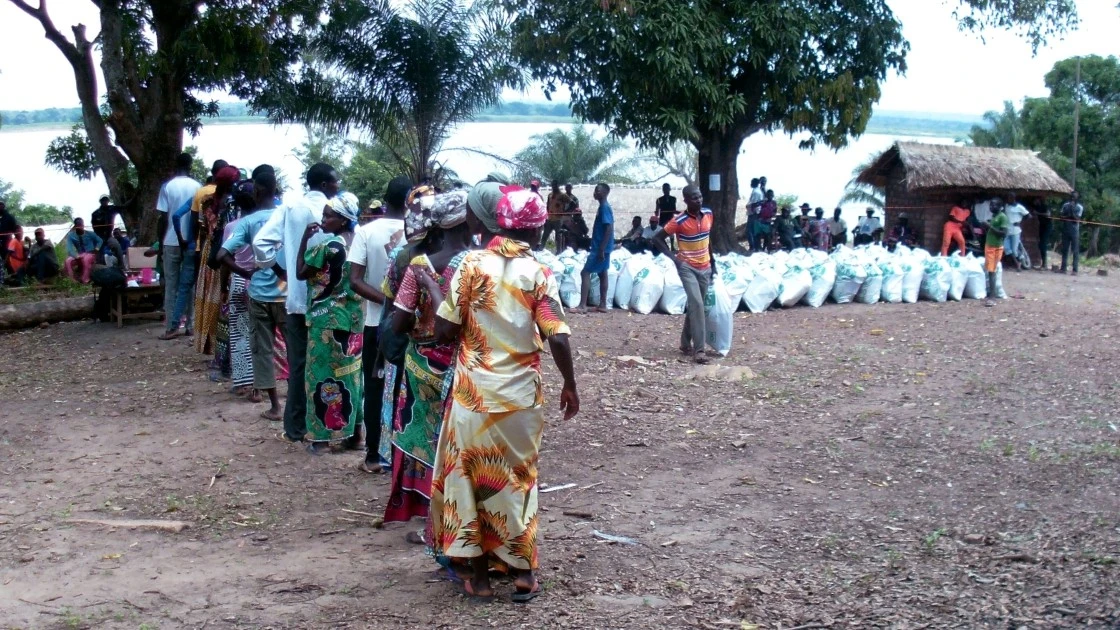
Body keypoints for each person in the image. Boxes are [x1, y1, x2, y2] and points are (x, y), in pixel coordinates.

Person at [429, 187, 579, 602]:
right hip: (519, 399)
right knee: (519, 479)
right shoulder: (539, 273)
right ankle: (523, 574)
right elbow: (558, 337)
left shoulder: (471, 265)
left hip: (474, 396)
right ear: (540, 227)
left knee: (470, 479)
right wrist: (570, 384)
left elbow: (444, 330)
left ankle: (477, 577)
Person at [384, 190, 473, 532]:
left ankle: (424, 512)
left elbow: (399, 322)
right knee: (454, 439)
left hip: (421, 362)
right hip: (463, 363)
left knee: (420, 435)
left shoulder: (420, 266)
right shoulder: (477, 265)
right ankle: (455, 514)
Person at [255, 162, 341, 444]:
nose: (339, 185)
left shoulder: (291, 208)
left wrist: (283, 274)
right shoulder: (336, 212)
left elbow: (261, 243)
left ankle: (295, 426)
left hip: (296, 299)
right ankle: (325, 424)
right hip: (329, 303)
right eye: (336, 181)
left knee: (299, 364)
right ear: (326, 185)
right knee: (330, 363)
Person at [349, 175, 410, 473]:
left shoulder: (365, 232)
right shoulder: (418, 233)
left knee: (374, 388)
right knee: (403, 387)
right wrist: (398, 302)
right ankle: (401, 454)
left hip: (375, 322)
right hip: (406, 323)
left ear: (385, 199)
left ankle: (374, 454)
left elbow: (355, 281)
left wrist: (385, 301)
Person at [218, 166, 287, 421]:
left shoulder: (247, 222)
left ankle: (274, 407)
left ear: (257, 191)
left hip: (258, 293)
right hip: (287, 292)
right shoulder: (287, 216)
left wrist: (246, 274)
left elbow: (221, 255)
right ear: (275, 190)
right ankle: (297, 404)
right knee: (294, 349)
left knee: (262, 350)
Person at [296, 192, 364, 454]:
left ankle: (322, 439)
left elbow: (301, 272)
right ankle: (355, 436)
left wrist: (304, 239)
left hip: (326, 322)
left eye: (329, 216)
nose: (323, 220)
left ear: (343, 220)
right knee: (352, 378)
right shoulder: (359, 243)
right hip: (354, 321)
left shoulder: (329, 247)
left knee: (320, 378)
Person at [651, 185, 716, 364]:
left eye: (700, 197)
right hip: (687, 267)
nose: (699, 200)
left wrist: (713, 263)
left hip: (705, 267)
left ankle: (685, 343)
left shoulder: (709, 214)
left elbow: (707, 239)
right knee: (697, 304)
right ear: (686, 200)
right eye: (694, 198)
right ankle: (699, 350)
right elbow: (656, 238)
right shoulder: (679, 220)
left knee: (696, 305)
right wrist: (675, 260)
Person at [190, 165, 241, 355]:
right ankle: (225, 347)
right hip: (227, 254)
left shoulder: (207, 202)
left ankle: (210, 344)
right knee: (224, 298)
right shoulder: (234, 205)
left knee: (211, 297)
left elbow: (203, 229)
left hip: (209, 252)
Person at [156, 152, 202, 333]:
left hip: (171, 240)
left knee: (171, 285)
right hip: (191, 242)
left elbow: (162, 218)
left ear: (176, 166)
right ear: (190, 166)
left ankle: (170, 325)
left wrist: (160, 244)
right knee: (188, 284)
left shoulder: (167, 187)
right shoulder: (198, 187)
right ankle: (190, 324)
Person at [573, 183, 612, 313]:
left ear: (605, 193)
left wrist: (601, 249)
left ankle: (582, 305)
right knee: (602, 273)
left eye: (598, 191)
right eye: (595, 190)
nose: (595, 193)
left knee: (585, 272)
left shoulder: (604, 208)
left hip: (599, 248)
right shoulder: (603, 207)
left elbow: (608, 228)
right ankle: (602, 304)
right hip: (602, 247)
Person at [984, 202, 1009, 302]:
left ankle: (992, 297)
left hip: (996, 247)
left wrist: (989, 226)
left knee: (992, 270)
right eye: (990, 205)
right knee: (991, 270)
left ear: (1000, 207)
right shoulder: (995, 216)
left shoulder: (1003, 217)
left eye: (994, 205)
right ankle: (991, 294)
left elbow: (1003, 233)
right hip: (989, 245)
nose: (991, 207)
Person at [63, 218, 102, 283]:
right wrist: (76, 256)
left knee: (86, 259)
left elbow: (100, 241)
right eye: (77, 225)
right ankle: (72, 279)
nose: (79, 227)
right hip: (79, 254)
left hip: (90, 254)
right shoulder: (71, 235)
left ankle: (85, 279)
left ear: (83, 225)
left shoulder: (90, 233)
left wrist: (96, 249)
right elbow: (69, 248)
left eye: (81, 225)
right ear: (75, 226)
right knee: (67, 261)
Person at [1003, 194, 1030, 270]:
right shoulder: (1006, 206)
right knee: (1006, 248)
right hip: (1007, 229)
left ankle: (1020, 260)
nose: (1008, 199)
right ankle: (1016, 263)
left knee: (1014, 250)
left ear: (1013, 198)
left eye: (1010, 198)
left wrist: (1020, 223)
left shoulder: (1019, 207)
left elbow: (1028, 215)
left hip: (1015, 230)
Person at [541, 181, 569, 254]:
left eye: (555, 185)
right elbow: (547, 205)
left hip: (558, 220)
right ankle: (540, 250)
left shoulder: (562, 195)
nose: (554, 187)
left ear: (558, 186)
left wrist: (564, 212)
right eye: (552, 185)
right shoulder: (550, 195)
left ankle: (559, 253)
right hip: (550, 219)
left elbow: (572, 203)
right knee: (544, 236)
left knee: (558, 238)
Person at [1058, 191, 1082, 275]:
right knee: (1064, 250)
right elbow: (1060, 218)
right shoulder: (1065, 205)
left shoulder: (1079, 207)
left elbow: (1076, 219)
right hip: (1065, 230)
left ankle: (1075, 270)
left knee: (1075, 251)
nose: (1072, 198)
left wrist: (1071, 212)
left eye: (1074, 197)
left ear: (1077, 198)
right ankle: (1063, 268)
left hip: (1075, 231)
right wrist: (1069, 216)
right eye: (1071, 197)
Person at [0, 200, 19, 279]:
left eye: (1, 205)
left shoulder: (9, 217)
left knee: (7, 260)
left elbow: (15, 229)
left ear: (4, 206)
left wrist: (16, 240)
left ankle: (12, 277)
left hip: (6, 241)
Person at [1035, 200, 1053, 270]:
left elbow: (1048, 214)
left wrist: (1038, 213)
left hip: (1047, 227)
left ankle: (1044, 264)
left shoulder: (1045, 206)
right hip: (1041, 227)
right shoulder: (1037, 207)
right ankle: (1043, 263)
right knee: (1041, 245)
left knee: (1043, 244)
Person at [745, 178, 763, 246]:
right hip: (754, 213)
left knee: (749, 231)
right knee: (753, 230)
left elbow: (755, 204)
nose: (750, 184)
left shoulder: (756, 192)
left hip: (754, 213)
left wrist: (750, 208)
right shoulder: (757, 191)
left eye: (751, 182)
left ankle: (752, 246)